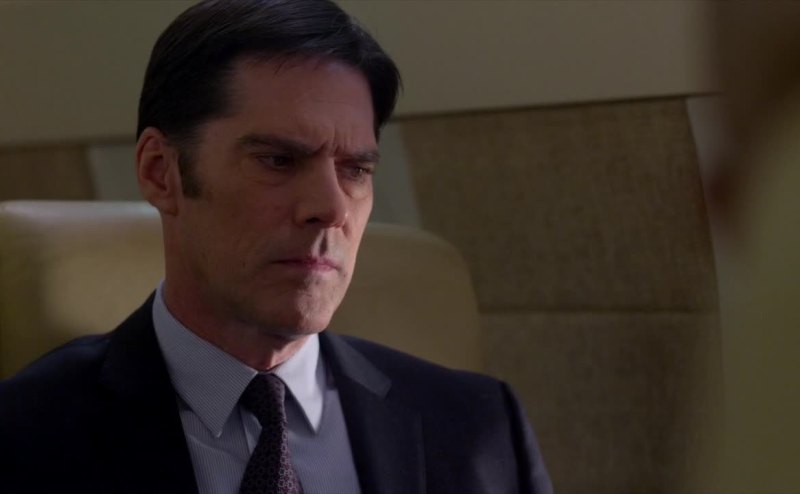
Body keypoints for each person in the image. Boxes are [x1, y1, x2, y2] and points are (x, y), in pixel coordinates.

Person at [0, 1, 553, 493]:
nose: (331, 208)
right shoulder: (24, 436)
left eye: (355, 170)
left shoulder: (478, 428)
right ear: (160, 173)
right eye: (278, 160)